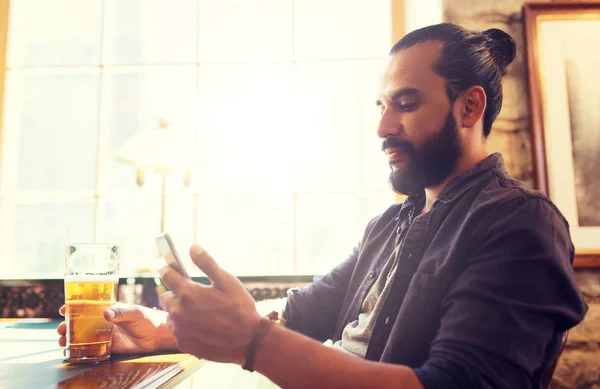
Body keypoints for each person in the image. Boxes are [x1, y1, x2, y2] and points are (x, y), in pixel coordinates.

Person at [57, 23, 588, 389]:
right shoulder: (392, 223)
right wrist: (166, 330)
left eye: (406, 104)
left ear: (469, 105)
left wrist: (252, 343)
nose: (382, 127)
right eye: (381, 107)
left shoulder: (520, 224)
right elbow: (301, 312)